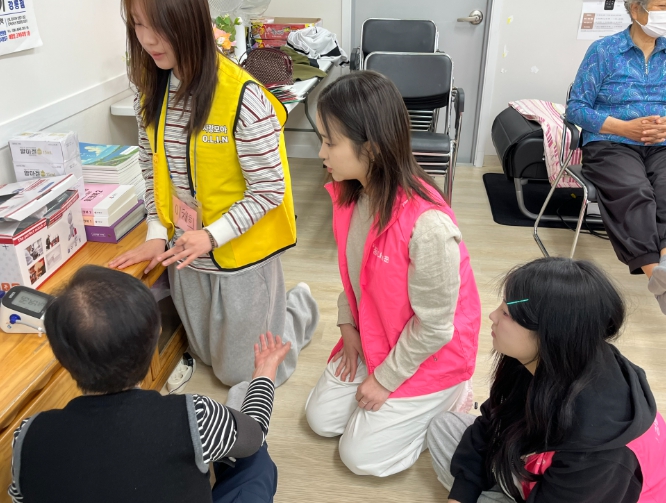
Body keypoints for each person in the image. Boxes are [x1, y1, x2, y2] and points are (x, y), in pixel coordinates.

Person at [109, 0, 319, 387]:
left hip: (240, 253)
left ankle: (298, 308)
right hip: (186, 250)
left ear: (189, 22)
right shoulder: (151, 92)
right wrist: (156, 232)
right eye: (137, 24)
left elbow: (269, 189)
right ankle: (275, 310)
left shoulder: (243, 97)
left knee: (240, 374)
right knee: (205, 355)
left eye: (159, 26)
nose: (148, 40)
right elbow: (151, 167)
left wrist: (212, 235)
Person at [304, 72, 481, 477]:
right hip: (376, 333)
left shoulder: (428, 225)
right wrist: (348, 326)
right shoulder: (352, 192)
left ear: (371, 148)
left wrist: (385, 379)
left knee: (360, 457)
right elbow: (354, 275)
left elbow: (436, 327)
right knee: (321, 420)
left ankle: (452, 396)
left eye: (330, 142)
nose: (321, 153)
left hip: (430, 353)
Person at [8, 266, 290, 503]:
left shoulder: (27, 436)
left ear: (62, 358)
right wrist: (264, 374)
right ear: (156, 337)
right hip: (216, 432)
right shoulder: (195, 416)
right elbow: (254, 435)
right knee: (256, 462)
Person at [427, 258, 666, 503]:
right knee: (443, 427)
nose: (493, 315)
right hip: (547, 465)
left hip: (592, 490)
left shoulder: (600, 453)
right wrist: (462, 494)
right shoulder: (556, 357)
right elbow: (493, 423)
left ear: (549, 333)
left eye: (506, 312)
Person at [567, 0, 666, 314]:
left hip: (662, 144)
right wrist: (625, 128)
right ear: (636, 9)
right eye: (662, 6)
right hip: (611, 142)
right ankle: (657, 278)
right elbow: (576, 108)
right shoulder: (604, 51)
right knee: (635, 191)